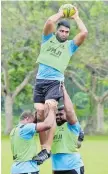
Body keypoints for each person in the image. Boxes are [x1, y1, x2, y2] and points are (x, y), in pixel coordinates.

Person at [33, 4, 88, 164]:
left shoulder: (70, 46)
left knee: (51, 108)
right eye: (62, 30)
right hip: (40, 81)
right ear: (57, 31)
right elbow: (49, 21)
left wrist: (76, 16)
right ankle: (43, 149)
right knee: (39, 114)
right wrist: (61, 13)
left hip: (54, 82)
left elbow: (84, 33)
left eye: (66, 32)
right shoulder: (47, 39)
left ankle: (48, 148)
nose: (64, 34)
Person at [10, 107, 56, 174]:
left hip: (16, 169)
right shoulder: (26, 128)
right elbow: (48, 124)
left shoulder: (14, 131)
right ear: (27, 118)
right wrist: (52, 109)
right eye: (33, 121)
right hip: (27, 169)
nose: (35, 123)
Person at [51, 86, 85, 174]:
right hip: (57, 169)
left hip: (72, 167)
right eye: (57, 115)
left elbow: (70, 110)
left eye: (61, 114)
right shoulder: (52, 128)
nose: (58, 117)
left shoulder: (72, 126)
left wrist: (64, 90)